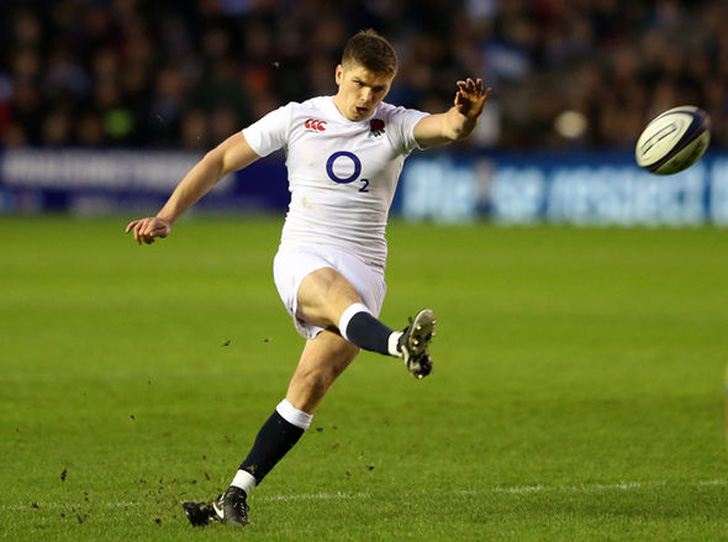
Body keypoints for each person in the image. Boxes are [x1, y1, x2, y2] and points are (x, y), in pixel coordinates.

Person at [125, 29, 490, 527]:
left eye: (380, 89)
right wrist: (168, 214)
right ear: (340, 74)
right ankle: (401, 343)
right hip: (304, 254)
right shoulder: (298, 118)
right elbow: (220, 159)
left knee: (311, 383)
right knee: (339, 300)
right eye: (360, 84)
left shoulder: (397, 125)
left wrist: (466, 116)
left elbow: (448, 129)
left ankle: (230, 496)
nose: (368, 98)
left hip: (365, 267)